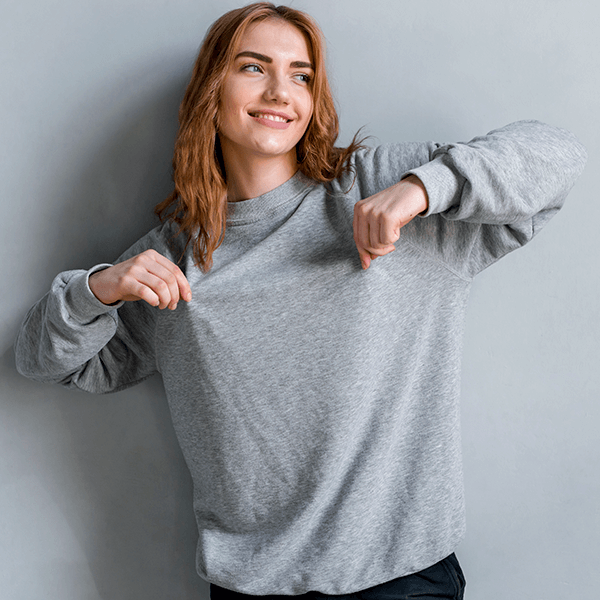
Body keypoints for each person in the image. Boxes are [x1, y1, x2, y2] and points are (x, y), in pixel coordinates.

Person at [15, 3, 586, 599]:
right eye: (253, 67)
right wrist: (97, 288)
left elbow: (558, 154)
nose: (280, 91)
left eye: (301, 75)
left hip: (401, 580)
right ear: (212, 88)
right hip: (250, 588)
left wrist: (422, 190)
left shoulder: (375, 185)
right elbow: (43, 361)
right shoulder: (170, 261)